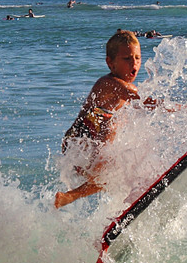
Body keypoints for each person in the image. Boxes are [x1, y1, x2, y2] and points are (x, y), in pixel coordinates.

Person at [55, 30, 149, 209]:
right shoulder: (109, 83)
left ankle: (130, 196)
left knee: (117, 170)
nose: (134, 64)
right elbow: (144, 102)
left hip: (88, 137)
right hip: (79, 138)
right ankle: (70, 196)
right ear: (110, 63)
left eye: (137, 58)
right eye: (127, 59)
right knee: (110, 170)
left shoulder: (127, 87)